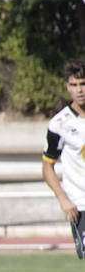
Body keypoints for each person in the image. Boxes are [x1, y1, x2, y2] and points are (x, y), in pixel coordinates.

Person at [42, 59, 85, 259]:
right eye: (74, 85)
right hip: (80, 205)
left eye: (83, 83)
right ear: (67, 87)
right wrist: (63, 199)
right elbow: (47, 167)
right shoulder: (59, 124)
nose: (79, 90)